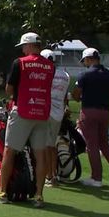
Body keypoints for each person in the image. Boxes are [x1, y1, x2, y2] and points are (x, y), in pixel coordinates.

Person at [0, 32, 54, 208]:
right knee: (40, 154)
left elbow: (9, 90)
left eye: (24, 46)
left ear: (30, 45)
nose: (23, 49)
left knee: (10, 151)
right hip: (42, 112)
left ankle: (2, 192)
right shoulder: (50, 66)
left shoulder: (20, 63)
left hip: (23, 111)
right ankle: (39, 195)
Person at [72, 48, 109, 186]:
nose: (84, 63)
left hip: (89, 111)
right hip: (104, 112)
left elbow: (76, 95)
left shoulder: (84, 75)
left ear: (89, 59)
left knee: (92, 146)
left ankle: (96, 178)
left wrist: (83, 96)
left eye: (84, 60)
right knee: (104, 144)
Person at [40, 49, 70, 187]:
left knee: (45, 146)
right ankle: (53, 176)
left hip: (46, 112)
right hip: (59, 113)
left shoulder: (46, 73)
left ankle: (48, 176)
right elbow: (65, 98)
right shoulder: (65, 75)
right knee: (52, 146)